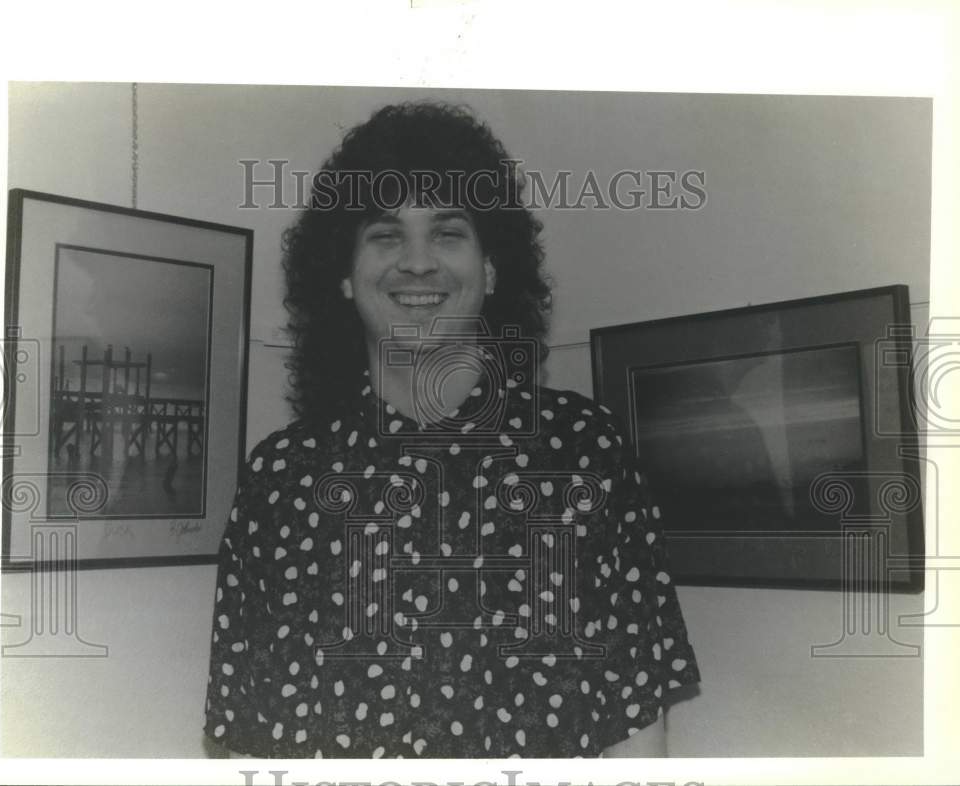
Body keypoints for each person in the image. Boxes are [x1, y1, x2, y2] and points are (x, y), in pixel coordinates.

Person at [203, 101, 700, 758]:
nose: (417, 263)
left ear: (492, 269)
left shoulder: (586, 454)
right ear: (345, 278)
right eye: (384, 234)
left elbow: (637, 731)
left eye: (447, 232)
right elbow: (245, 742)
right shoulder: (278, 479)